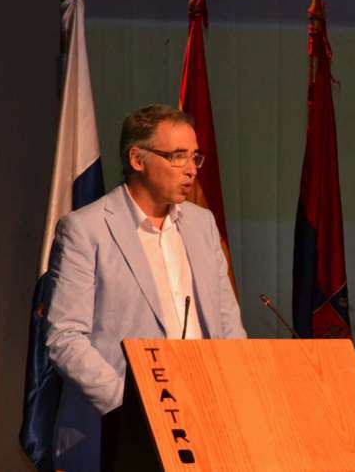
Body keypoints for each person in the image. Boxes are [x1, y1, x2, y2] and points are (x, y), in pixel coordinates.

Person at [44, 104, 247, 470]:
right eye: (177, 156)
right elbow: (65, 337)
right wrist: (131, 405)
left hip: (203, 421)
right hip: (118, 428)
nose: (191, 169)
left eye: (195, 156)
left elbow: (228, 323)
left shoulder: (202, 223)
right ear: (137, 158)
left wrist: (233, 395)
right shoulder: (85, 229)